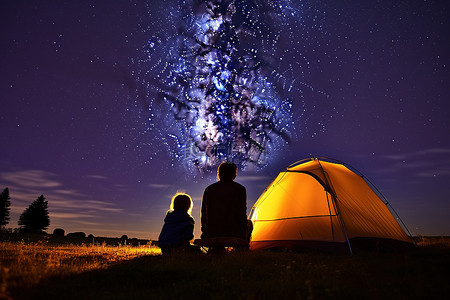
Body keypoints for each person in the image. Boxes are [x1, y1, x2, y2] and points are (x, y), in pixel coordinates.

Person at [200, 162, 250, 245]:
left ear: (219, 174)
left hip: (212, 232)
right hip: (234, 232)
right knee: (249, 224)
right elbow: (241, 212)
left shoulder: (209, 189)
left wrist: (205, 230)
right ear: (234, 174)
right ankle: (240, 251)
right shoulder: (240, 189)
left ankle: (216, 250)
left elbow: (204, 214)